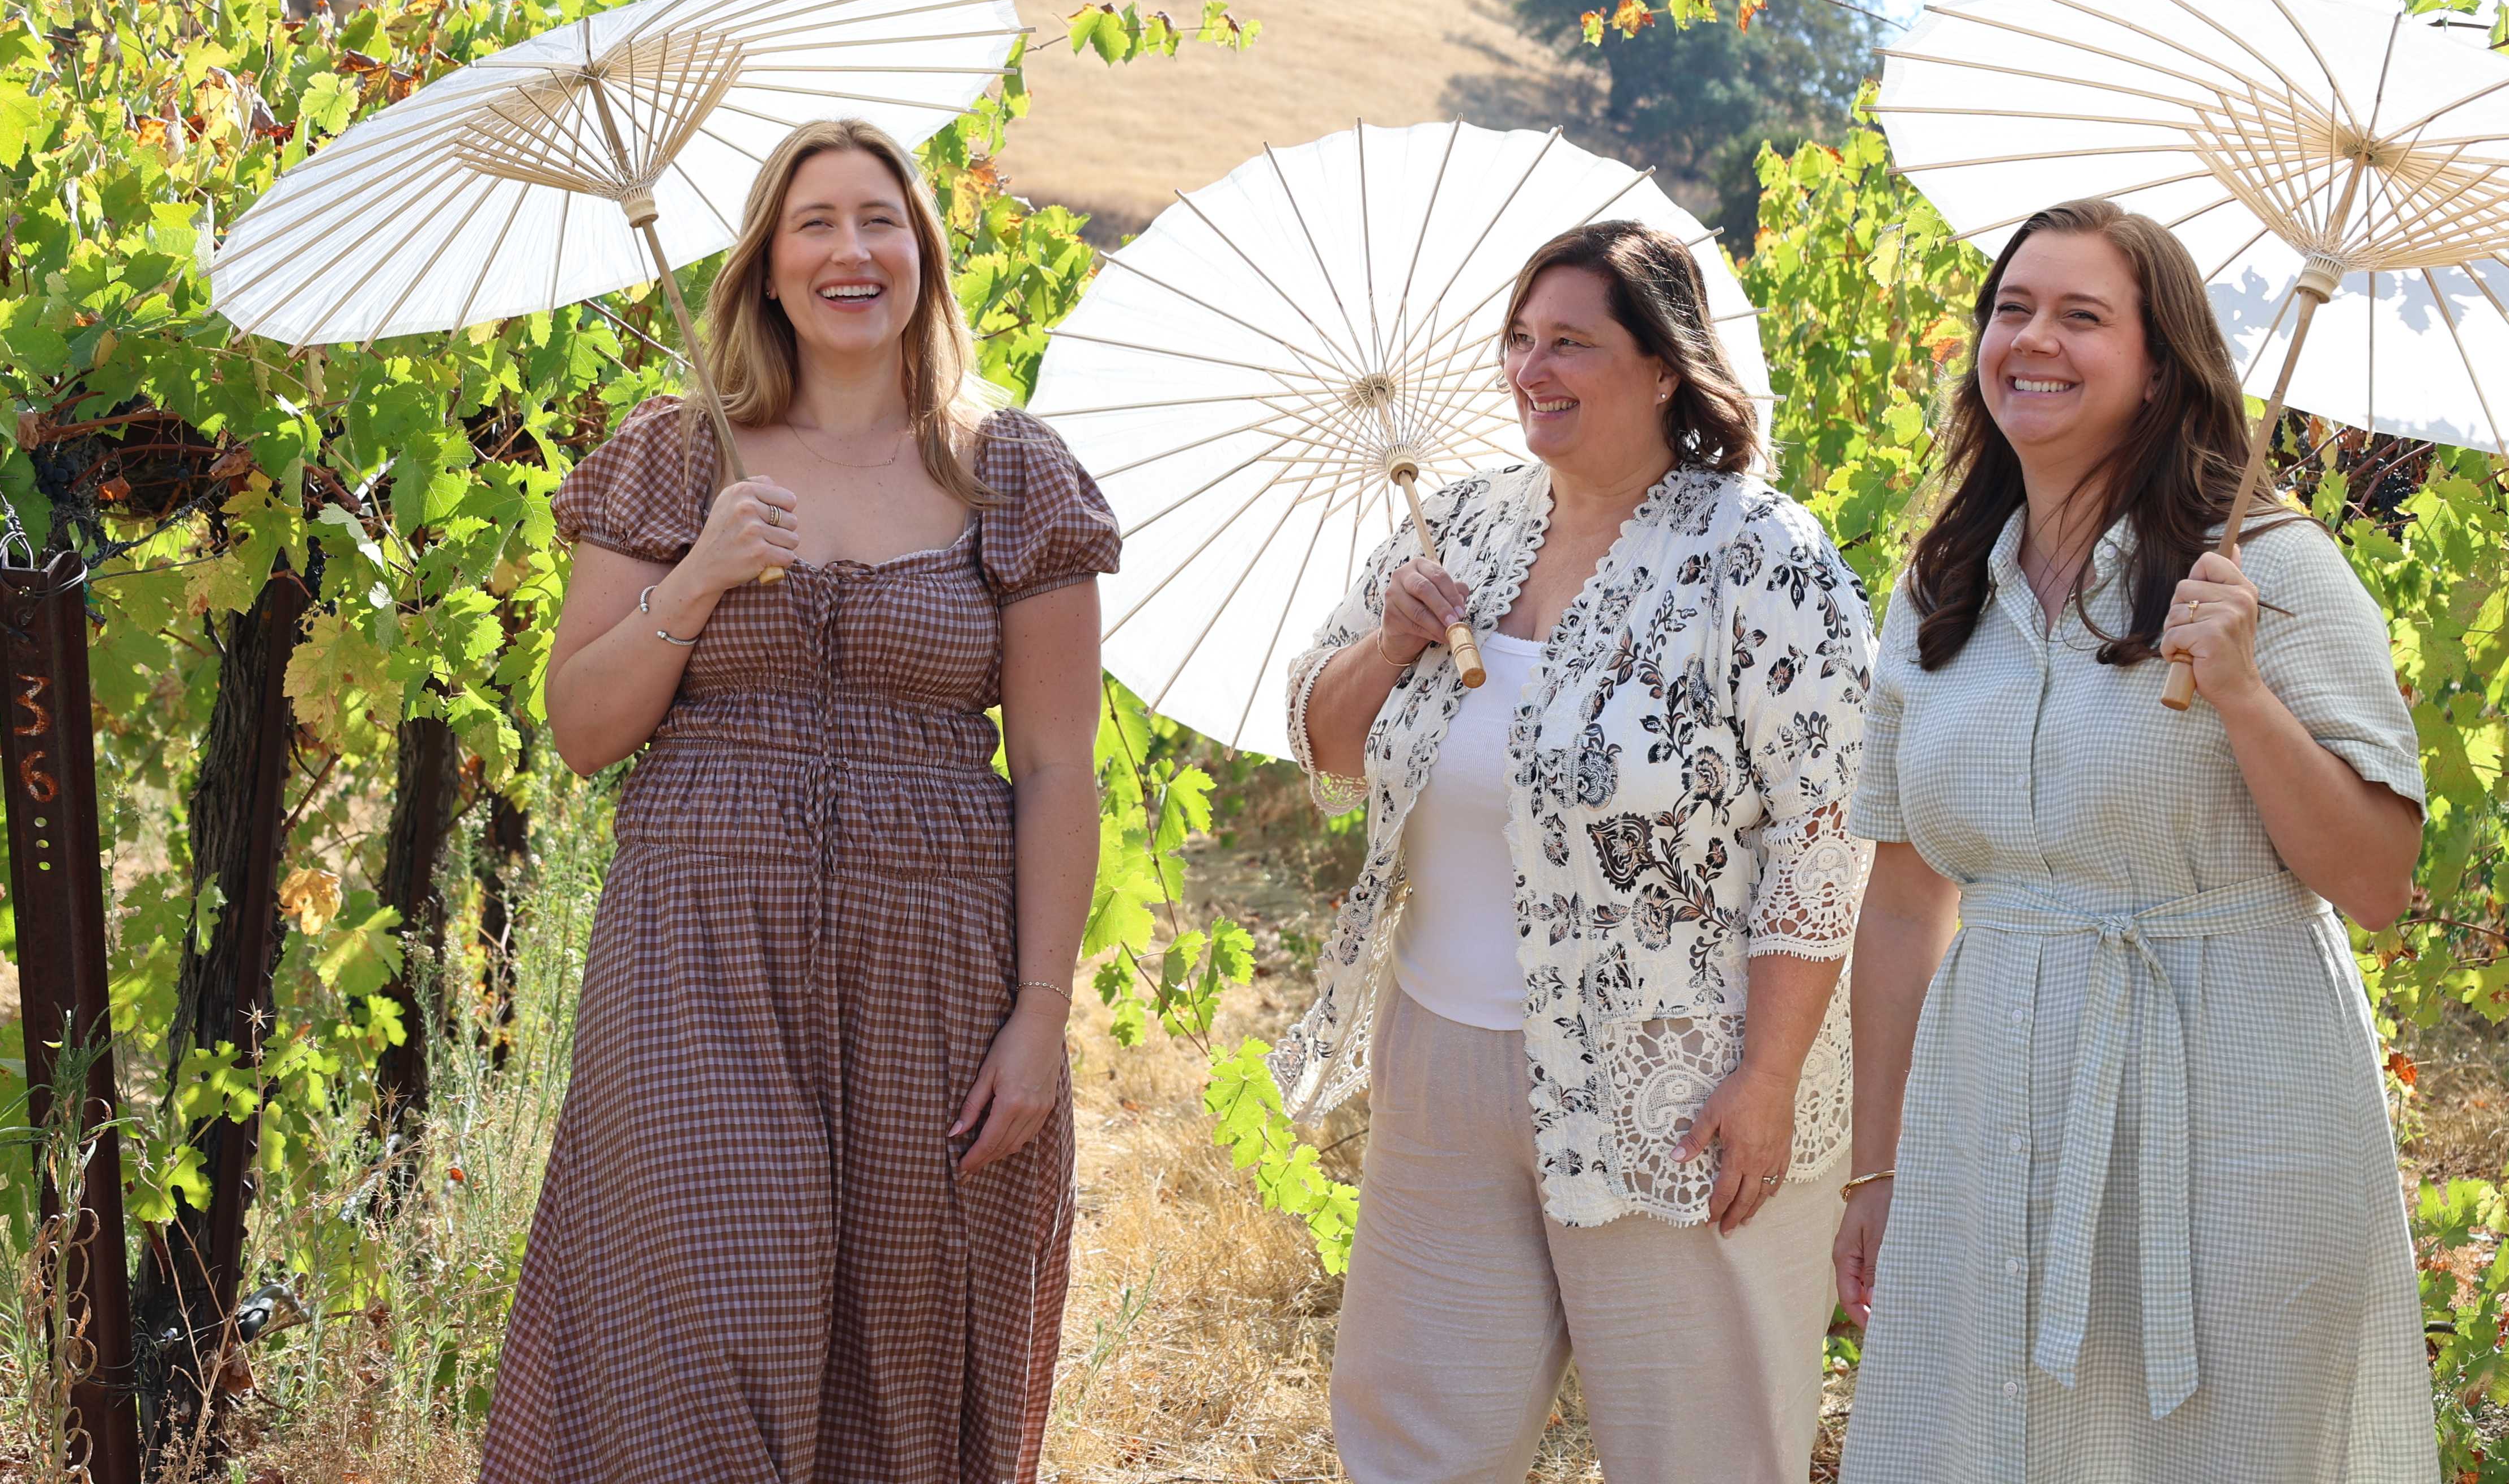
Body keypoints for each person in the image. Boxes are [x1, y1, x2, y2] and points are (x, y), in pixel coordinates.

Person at [478, 118, 1117, 1484]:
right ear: (767, 263)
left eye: (880, 219)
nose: (851, 249)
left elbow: (1060, 762)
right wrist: (697, 574)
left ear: (924, 256)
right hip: (701, 953)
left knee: (906, 1344)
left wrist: (1042, 1017)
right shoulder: (670, 459)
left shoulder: (1011, 470)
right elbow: (583, 727)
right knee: (697, 1330)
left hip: (937, 969)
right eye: (815, 221)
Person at [1831, 198, 2432, 1484]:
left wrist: (2245, 689)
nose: (2032, 338)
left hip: (2236, 1086)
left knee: (2221, 1445)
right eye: (2013, 307)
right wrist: (1874, 1162)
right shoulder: (1941, 587)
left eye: (2082, 314)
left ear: (2161, 365)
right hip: (1987, 1085)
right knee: (1985, 1439)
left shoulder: (2277, 568)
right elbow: (1900, 901)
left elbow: (2376, 878)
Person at [1271, 219, 1875, 1484]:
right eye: (1521, 339)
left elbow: (1829, 834)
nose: (1531, 368)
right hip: (1446, 1059)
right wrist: (1387, 644)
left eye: (1571, 343)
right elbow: (1329, 745)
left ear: (1664, 367)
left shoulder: (1763, 557)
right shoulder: (1463, 532)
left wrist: (1767, 1078)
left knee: (1701, 1450)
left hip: (1681, 1079)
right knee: (1419, 1445)